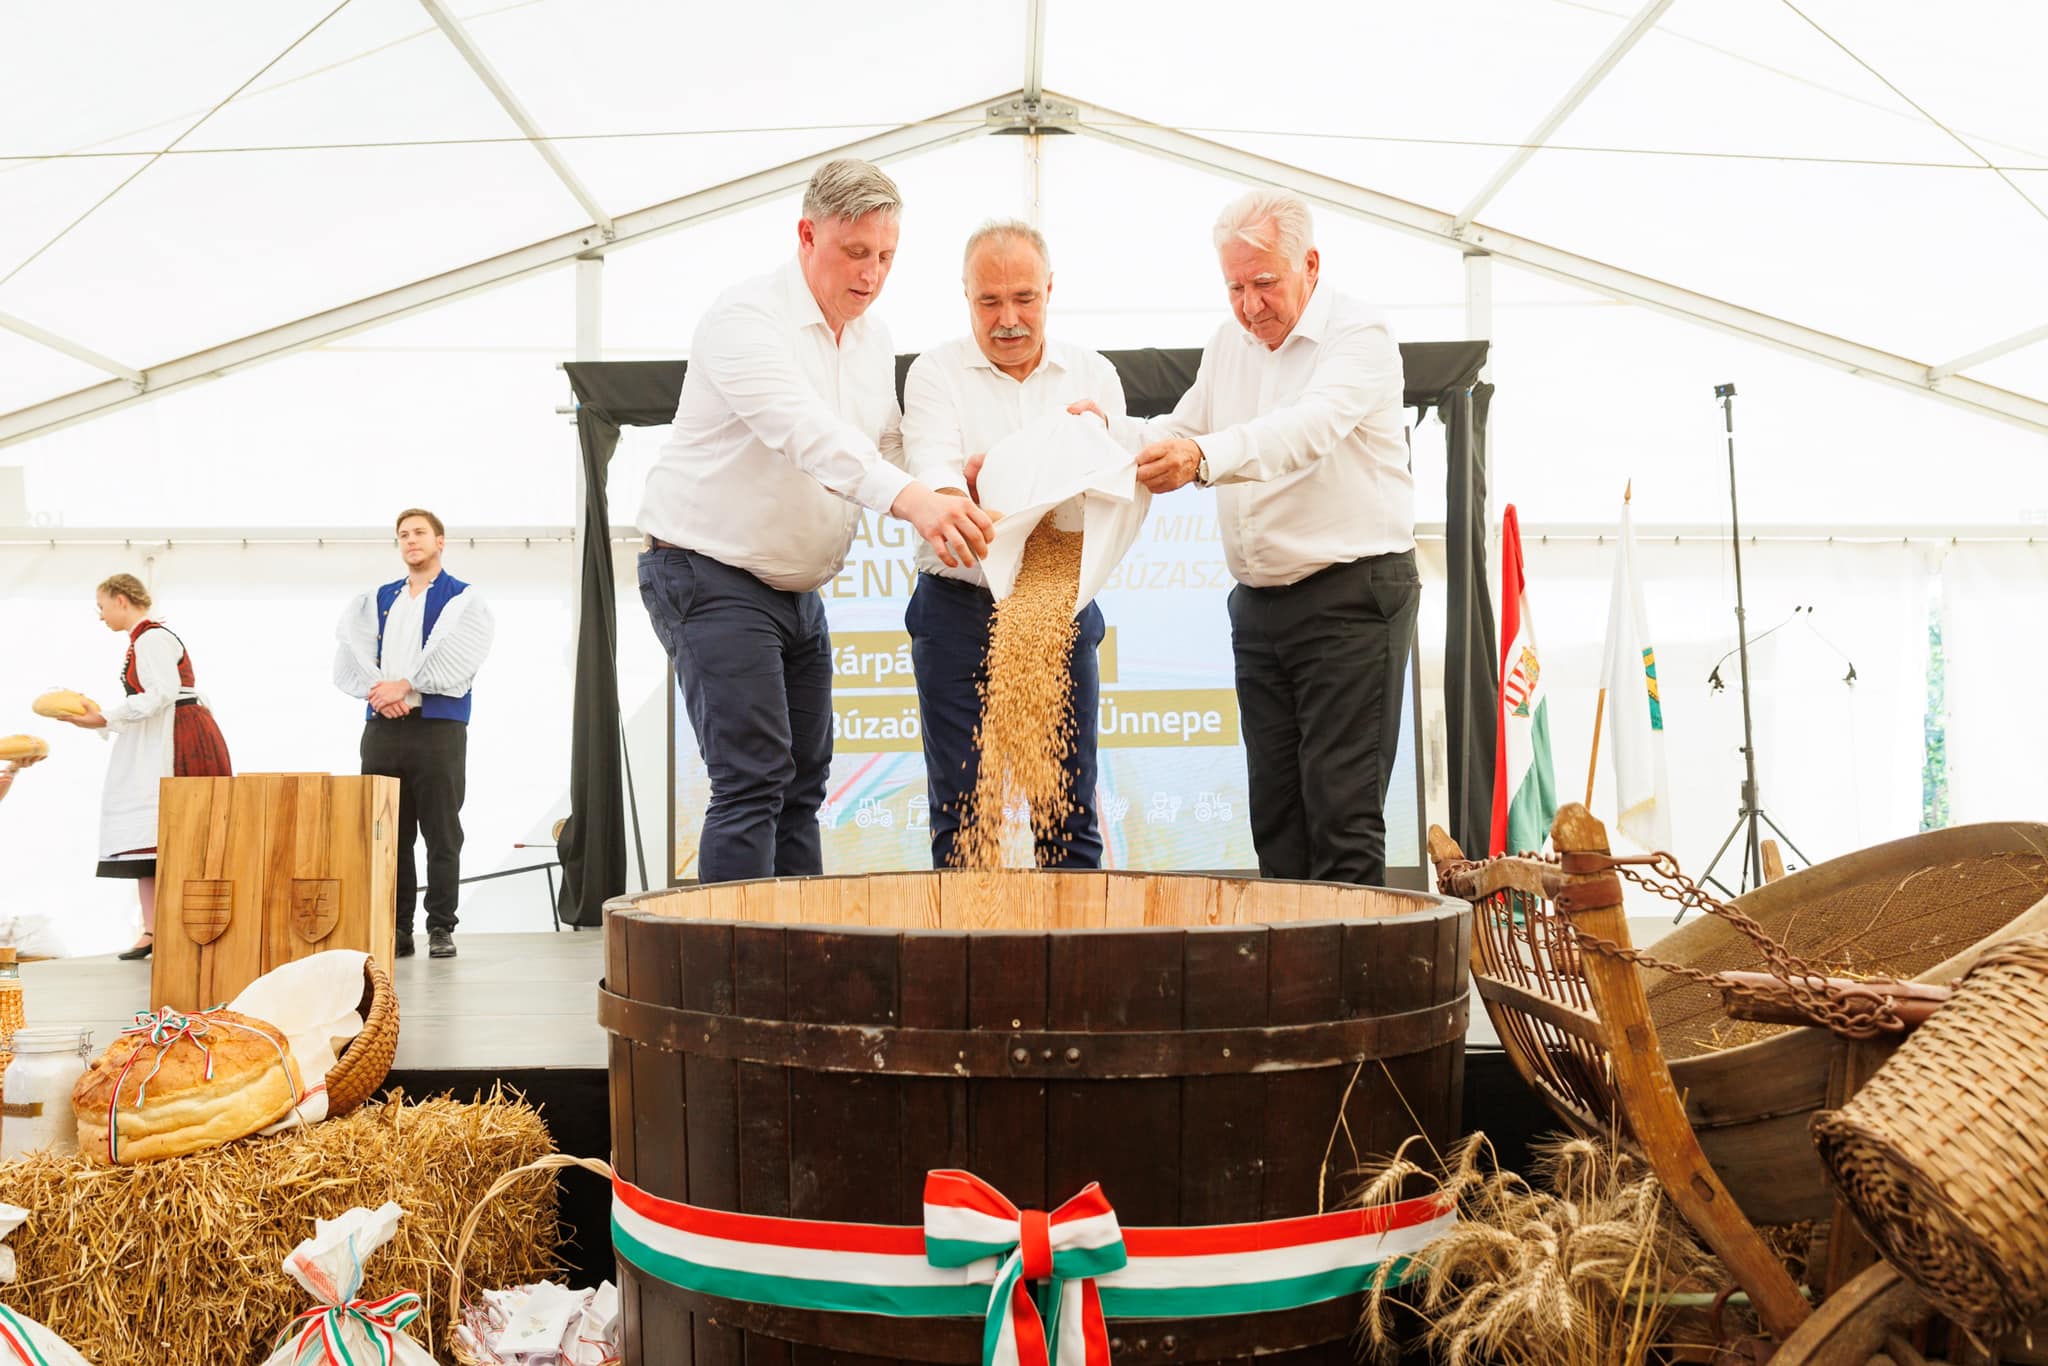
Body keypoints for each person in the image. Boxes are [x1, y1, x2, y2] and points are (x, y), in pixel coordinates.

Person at [638, 157, 992, 885]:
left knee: (802, 782)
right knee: (752, 777)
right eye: (855, 252)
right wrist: (918, 503)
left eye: (887, 256)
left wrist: (955, 479)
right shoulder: (744, 321)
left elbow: (890, 440)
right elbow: (807, 434)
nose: (871, 274)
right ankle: (734, 981)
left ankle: (802, 961)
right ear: (807, 234)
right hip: (708, 570)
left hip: (796, 592)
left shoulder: (871, 336)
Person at [1094, 189, 1417, 885]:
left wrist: (1204, 460)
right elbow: (1183, 428)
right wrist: (1107, 435)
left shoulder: (1359, 336)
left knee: (1342, 814)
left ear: (1311, 263)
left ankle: (1354, 993)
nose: (1249, 306)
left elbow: (1306, 429)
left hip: (1351, 597)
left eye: (1264, 283)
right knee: (1276, 814)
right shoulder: (1227, 343)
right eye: (1234, 287)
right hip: (1261, 607)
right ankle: (1296, 985)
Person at [901, 220, 1124, 868]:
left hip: (1058, 607)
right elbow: (934, 462)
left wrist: (1096, 441)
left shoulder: (1091, 375)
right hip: (957, 610)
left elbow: (1114, 481)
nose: (1007, 319)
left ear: (1050, 289)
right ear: (964, 296)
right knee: (966, 814)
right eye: (988, 301)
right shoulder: (937, 371)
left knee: (1066, 812)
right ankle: (969, 960)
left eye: (1024, 298)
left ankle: (1075, 961)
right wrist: (958, 495)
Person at [333, 509, 494, 959]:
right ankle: (397, 927)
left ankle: (440, 925)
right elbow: (354, 649)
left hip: (438, 729)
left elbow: (461, 656)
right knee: (388, 833)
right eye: (403, 535)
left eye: (420, 533)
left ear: (440, 541)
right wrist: (382, 692)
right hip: (384, 729)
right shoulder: (377, 599)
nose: (411, 541)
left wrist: (407, 686)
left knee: (442, 831)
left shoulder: (463, 599)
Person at [55, 573, 234, 959]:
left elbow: (163, 692)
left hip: (177, 738)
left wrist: (104, 717)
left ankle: (191, 926)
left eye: (102, 606)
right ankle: (153, 928)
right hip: (160, 736)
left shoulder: (152, 638)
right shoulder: (142, 640)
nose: (100, 616)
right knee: (149, 834)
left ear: (121, 600)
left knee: (180, 831)